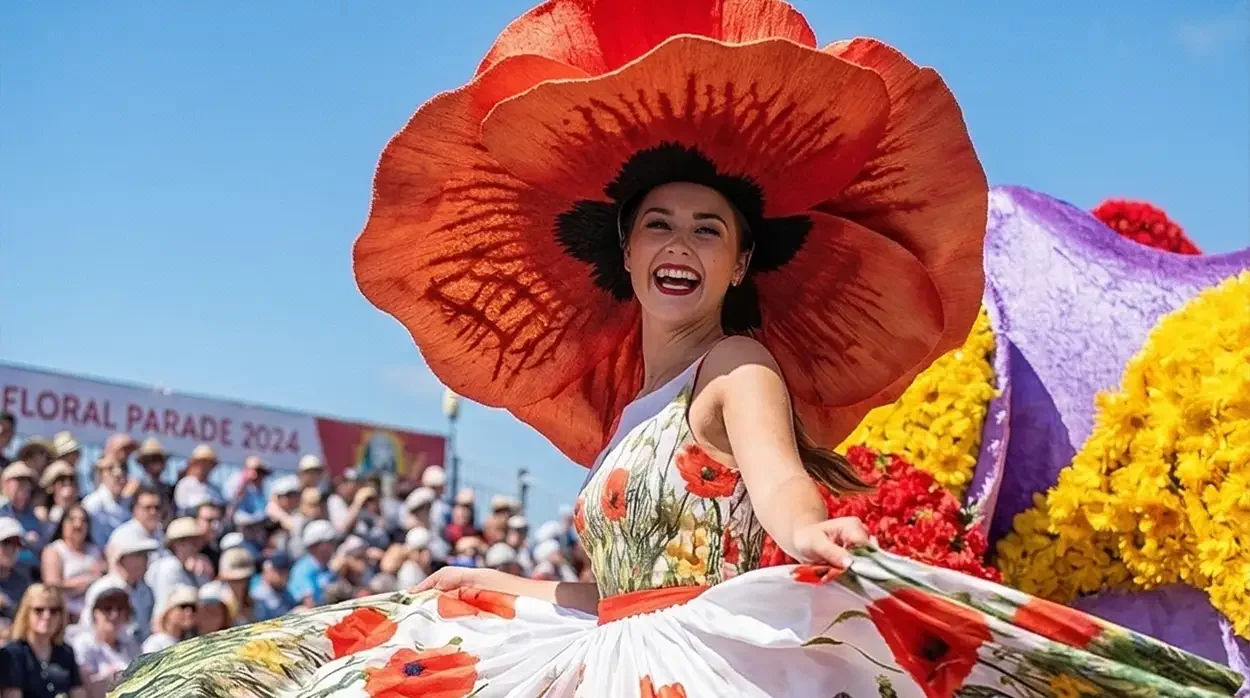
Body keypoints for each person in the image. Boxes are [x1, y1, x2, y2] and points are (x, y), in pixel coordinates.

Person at [113, 3, 1246, 696]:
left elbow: (781, 494)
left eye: (709, 228)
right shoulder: (628, 409)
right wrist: (503, 585)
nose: (680, 244)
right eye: (659, 222)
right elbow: (629, 584)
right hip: (626, 650)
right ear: (623, 246)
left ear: (743, 260)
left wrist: (811, 528)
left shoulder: (736, 367)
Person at [0, 584, 86, 698]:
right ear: (26, 613)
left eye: (54, 610)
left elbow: (78, 692)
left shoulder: (66, 651)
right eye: (39, 610)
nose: (47, 616)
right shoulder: (12, 653)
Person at [81, 534, 156, 645]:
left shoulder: (146, 590)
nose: (145, 560)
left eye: (145, 555)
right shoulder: (103, 588)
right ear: (121, 559)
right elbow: (89, 628)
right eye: (138, 555)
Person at [40, 504, 105, 622]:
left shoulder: (94, 551)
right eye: (72, 519)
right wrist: (86, 581)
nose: (78, 525)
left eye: (83, 521)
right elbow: (52, 585)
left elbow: (102, 576)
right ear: (63, 524)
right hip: (66, 615)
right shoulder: (54, 550)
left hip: (94, 614)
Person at [71, 584, 137, 698]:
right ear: (95, 613)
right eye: (107, 608)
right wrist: (109, 677)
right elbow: (82, 686)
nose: (114, 615)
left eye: (120, 609)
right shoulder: (84, 643)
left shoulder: (130, 644)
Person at [144, 517, 207, 614]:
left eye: (196, 541)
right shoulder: (169, 566)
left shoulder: (194, 568)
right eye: (189, 541)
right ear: (176, 544)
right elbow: (171, 605)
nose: (195, 546)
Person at [286, 519, 339, 607]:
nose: (334, 545)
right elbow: (309, 605)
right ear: (317, 545)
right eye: (331, 542)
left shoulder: (325, 568)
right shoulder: (302, 570)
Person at [0, 461, 44, 564]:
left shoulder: (33, 517)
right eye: (19, 481)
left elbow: (39, 550)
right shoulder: (1, 509)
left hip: (29, 570)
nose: (24, 487)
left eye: (27, 483)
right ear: (5, 484)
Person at [80, 457, 129, 549]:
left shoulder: (129, 502)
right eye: (110, 470)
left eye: (122, 472)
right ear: (101, 476)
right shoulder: (92, 503)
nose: (119, 475)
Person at [141, 584, 197, 654]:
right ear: (169, 611)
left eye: (193, 608)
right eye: (183, 606)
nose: (189, 612)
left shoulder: (193, 641)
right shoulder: (155, 644)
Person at [172, 444, 222, 515]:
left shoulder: (215, 489)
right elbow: (183, 509)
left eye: (208, 463)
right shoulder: (184, 484)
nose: (204, 466)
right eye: (201, 462)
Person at [0, 517, 33, 621]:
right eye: (6, 542)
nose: (12, 549)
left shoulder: (23, 583)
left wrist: (6, 605)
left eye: (17, 544)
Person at [35, 459, 80, 534]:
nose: (69, 488)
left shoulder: (83, 515)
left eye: (71, 481)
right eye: (62, 481)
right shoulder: (42, 515)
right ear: (51, 487)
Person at [129, 439, 173, 512]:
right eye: (152, 459)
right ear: (144, 463)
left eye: (159, 459)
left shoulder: (167, 489)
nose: (156, 463)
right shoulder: (135, 485)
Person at [249, 552, 295, 622]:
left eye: (286, 571)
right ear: (267, 572)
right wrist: (292, 615)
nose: (284, 575)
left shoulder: (285, 590)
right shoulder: (258, 596)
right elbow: (262, 623)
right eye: (279, 572)